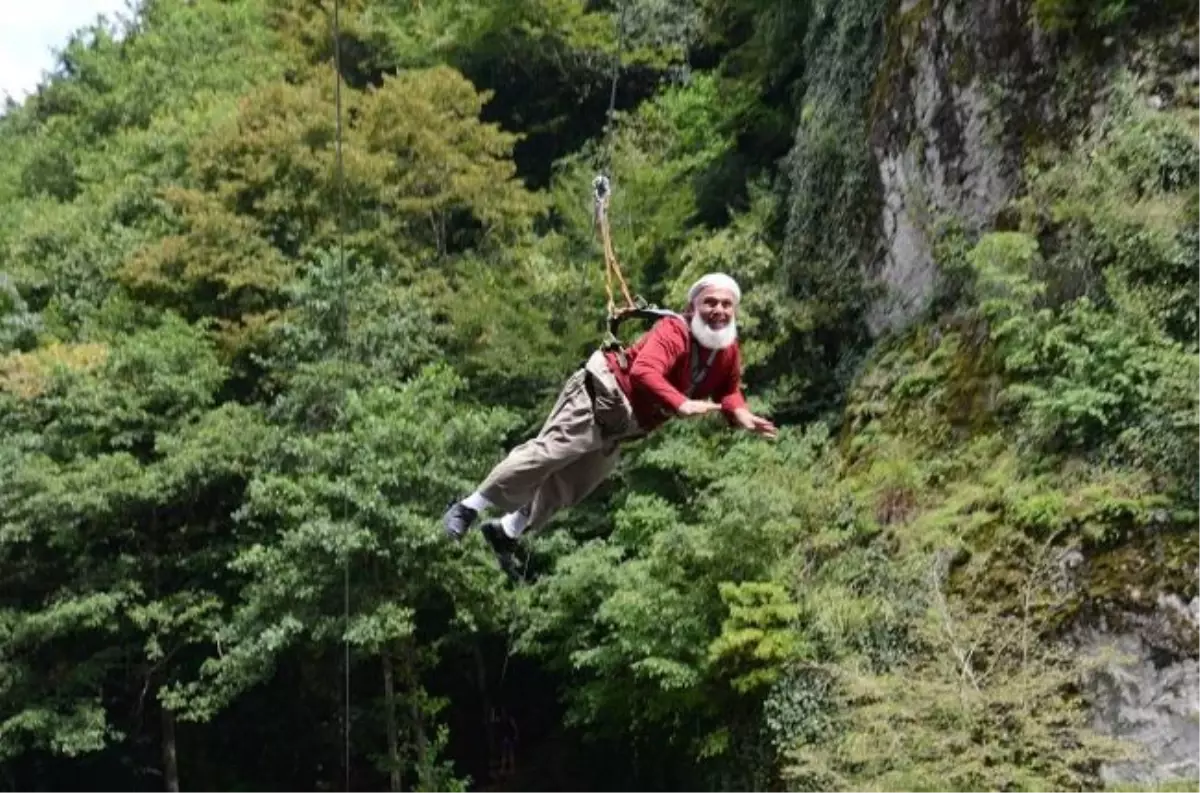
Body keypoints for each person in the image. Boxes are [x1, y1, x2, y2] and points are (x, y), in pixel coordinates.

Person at [442, 272, 777, 572]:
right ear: (693, 307)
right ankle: (468, 507)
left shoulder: (728, 350)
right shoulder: (675, 330)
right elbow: (644, 370)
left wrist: (741, 413)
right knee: (549, 454)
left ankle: (506, 531)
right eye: (710, 303)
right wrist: (681, 403)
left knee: (571, 486)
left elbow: (729, 390)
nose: (719, 310)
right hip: (602, 395)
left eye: (726, 305)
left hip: (627, 423)